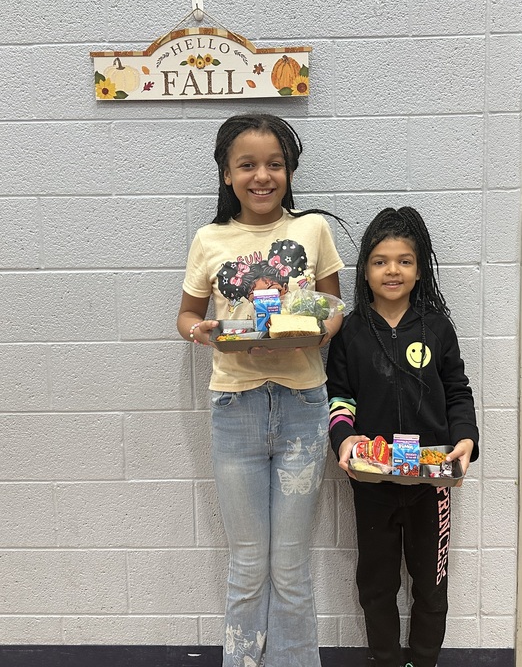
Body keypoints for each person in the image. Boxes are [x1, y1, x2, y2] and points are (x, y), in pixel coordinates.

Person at [176, 113, 345, 667]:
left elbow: (334, 306)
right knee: (248, 564)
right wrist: (201, 334)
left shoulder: (313, 230)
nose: (262, 176)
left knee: (292, 566)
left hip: (303, 405)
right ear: (227, 174)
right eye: (247, 165)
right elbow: (187, 316)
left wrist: (319, 329)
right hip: (235, 406)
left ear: (289, 171)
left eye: (274, 164)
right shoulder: (209, 238)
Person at [326, 206, 479, 667]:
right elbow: (340, 396)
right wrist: (345, 441)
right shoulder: (351, 331)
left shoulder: (437, 328)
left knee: (431, 584)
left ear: (420, 269)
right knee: (376, 584)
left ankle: (425, 660)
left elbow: (457, 390)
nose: (392, 270)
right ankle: (387, 660)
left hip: (432, 483)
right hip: (373, 483)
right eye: (380, 260)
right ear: (365, 270)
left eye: (405, 260)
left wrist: (466, 439)